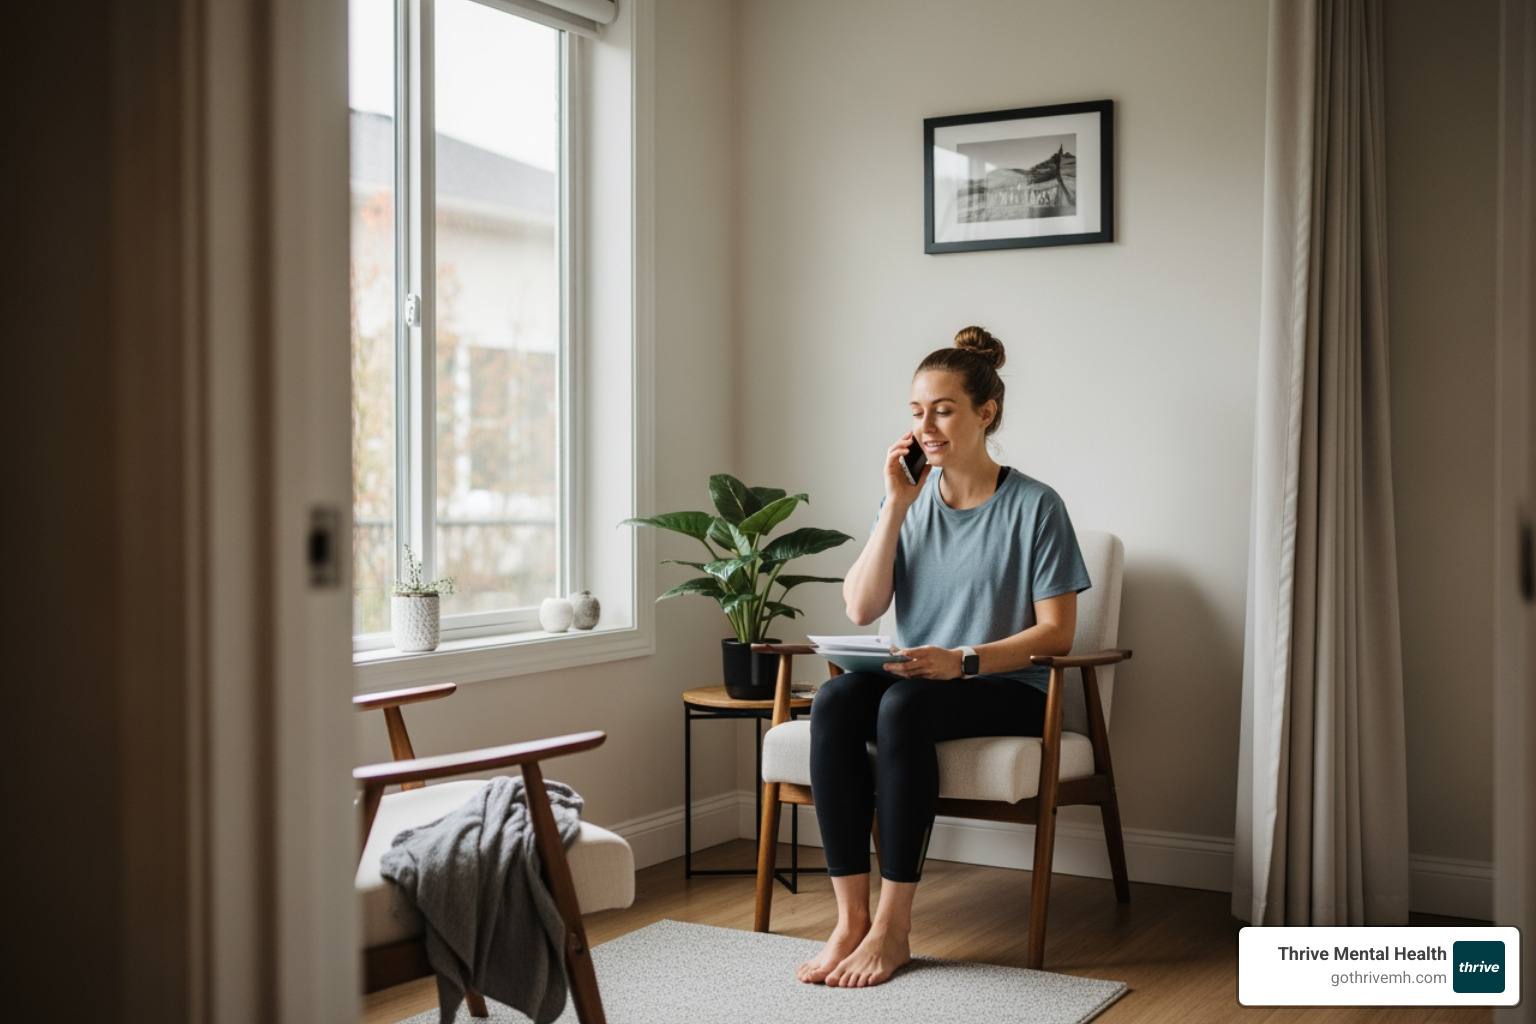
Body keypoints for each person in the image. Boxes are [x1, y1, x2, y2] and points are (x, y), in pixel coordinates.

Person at [797, 326, 1092, 989]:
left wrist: (963, 660)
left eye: (943, 408)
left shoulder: (1036, 506)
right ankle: (850, 920)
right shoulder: (907, 500)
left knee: (902, 707)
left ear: (986, 413)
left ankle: (895, 927)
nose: (926, 425)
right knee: (839, 699)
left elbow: (1057, 634)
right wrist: (896, 508)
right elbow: (860, 609)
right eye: (915, 411)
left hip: (1007, 684)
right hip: (921, 676)